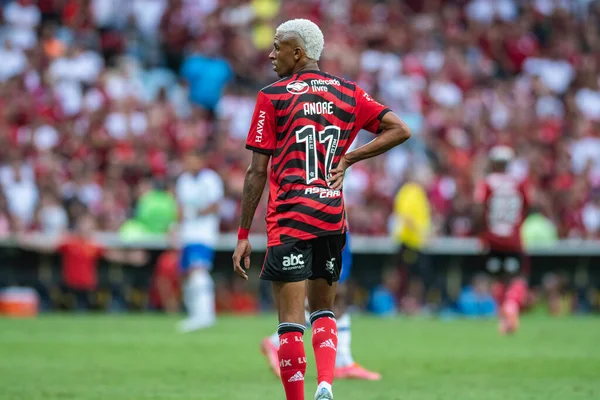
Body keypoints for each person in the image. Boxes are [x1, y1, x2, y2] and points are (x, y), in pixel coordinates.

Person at [232, 19, 410, 400]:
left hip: (290, 217)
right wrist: (349, 158)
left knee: (290, 323)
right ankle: (326, 386)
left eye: (277, 46)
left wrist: (244, 234)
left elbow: (256, 172)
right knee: (325, 311)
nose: (270, 53)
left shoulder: (272, 96)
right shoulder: (348, 92)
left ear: (297, 52)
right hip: (331, 217)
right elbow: (399, 129)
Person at [260, 231, 382, 381]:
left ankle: (343, 361)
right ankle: (277, 342)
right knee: (329, 298)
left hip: (334, 222)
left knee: (333, 302)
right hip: (327, 222)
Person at [473, 145, 531, 335]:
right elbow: (527, 206)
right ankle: (511, 307)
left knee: (496, 278)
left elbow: (479, 209)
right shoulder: (519, 183)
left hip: (492, 238)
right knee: (517, 277)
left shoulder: (486, 183)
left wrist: (480, 233)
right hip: (513, 238)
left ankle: (504, 316)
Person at [175, 149, 224, 332]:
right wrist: (177, 227)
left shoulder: (210, 179)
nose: (189, 164)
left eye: (193, 160)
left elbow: (216, 205)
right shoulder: (183, 180)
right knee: (188, 274)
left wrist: (195, 212)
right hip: (187, 233)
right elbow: (179, 207)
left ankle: (205, 315)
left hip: (204, 233)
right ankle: (195, 313)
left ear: (201, 161)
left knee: (198, 270)